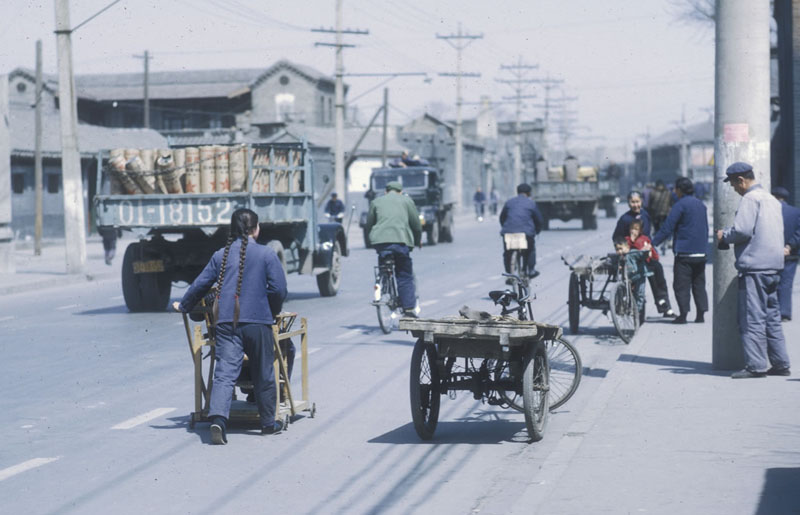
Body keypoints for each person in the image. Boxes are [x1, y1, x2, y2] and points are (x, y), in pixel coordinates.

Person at [173, 208, 288, 443]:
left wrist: (184, 305)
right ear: (256, 229)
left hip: (226, 322)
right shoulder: (266, 254)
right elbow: (279, 289)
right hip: (258, 322)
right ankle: (268, 424)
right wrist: (271, 310)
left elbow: (201, 284)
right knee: (264, 372)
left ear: (232, 230)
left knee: (224, 373)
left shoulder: (220, 255)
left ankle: (218, 420)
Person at [716, 162, 791, 379]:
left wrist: (724, 236)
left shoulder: (750, 199)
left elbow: (742, 230)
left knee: (752, 318)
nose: (734, 189)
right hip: (774, 267)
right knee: (772, 318)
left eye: (733, 184)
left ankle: (756, 366)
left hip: (755, 268)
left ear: (741, 180)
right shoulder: (771, 199)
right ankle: (781, 363)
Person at [651, 177, 709, 324]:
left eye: (675, 189)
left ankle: (683, 315)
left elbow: (667, 228)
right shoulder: (701, 205)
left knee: (681, 285)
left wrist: (653, 243)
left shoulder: (680, 205)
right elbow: (705, 228)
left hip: (684, 253)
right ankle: (700, 315)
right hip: (701, 252)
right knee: (699, 284)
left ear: (679, 190)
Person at [612, 191, 676, 317]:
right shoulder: (624, 219)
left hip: (646, 255)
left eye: (637, 202)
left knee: (658, 273)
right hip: (632, 258)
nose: (635, 205)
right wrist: (625, 247)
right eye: (632, 202)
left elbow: (648, 234)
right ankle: (629, 306)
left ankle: (664, 305)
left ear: (641, 201)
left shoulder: (645, 215)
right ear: (628, 203)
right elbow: (616, 237)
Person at [365, 181, 422, 317]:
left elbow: (369, 224)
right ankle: (408, 309)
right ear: (400, 191)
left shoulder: (376, 202)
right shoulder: (407, 201)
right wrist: (417, 240)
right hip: (401, 242)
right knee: (404, 275)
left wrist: (371, 240)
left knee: (384, 262)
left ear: (386, 191)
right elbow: (416, 225)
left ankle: (384, 283)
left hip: (381, 243)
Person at [500, 183, 544, 280]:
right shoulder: (531, 203)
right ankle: (531, 270)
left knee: (507, 252)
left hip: (508, 232)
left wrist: (507, 229)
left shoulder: (509, 202)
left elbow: (502, 218)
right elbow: (539, 220)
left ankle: (509, 274)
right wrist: (537, 231)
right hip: (526, 233)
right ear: (529, 193)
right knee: (530, 249)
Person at [772, 186, 800, 321]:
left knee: (771, 282)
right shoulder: (796, 212)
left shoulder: (769, 212)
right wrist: (789, 246)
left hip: (772, 253)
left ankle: (772, 311)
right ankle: (784, 313)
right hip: (791, 253)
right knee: (786, 283)